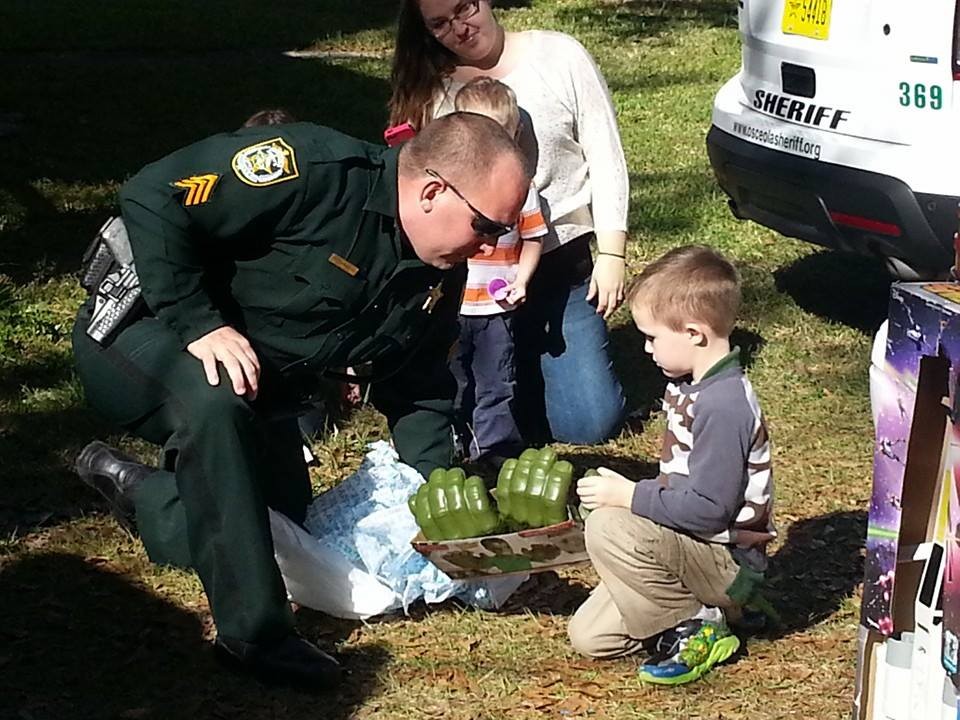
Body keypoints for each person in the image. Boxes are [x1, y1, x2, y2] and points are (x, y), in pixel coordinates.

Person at [71, 112, 528, 690]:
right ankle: (255, 637)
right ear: (433, 191)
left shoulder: (438, 268)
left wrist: (442, 501)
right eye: (487, 225)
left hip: (260, 383)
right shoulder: (314, 170)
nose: (491, 245)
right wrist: (196, 321)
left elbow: (421, 387)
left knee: (280, 533)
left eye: (503, 232)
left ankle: (145, 493)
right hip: (144, 333)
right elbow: (153, 192)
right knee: (215, 403)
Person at [389, 0, 628, 446]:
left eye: (465, 9)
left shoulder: (559, 55)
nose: (460, 28)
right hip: (476, 279)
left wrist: (613, 252)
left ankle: (538, 373)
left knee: (588, 424)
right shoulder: (429, 89)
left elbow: (606, 153)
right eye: (440, 24)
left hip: (559, 266)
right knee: (476, 389)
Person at [568, 246, 776, 685]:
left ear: (695, 333)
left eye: (652, 337)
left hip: (727, 563)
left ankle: (700, 624)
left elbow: (708, 510)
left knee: (609, 526)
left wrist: (628, 497)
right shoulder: (689, 384)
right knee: (590, 637)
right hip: (694, 551)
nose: (645, 348)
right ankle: (704, 613)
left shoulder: (724, 405)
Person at [449, 77, 545, 464]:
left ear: (514, 133)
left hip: (494, 304)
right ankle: (454, 436)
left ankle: (494, 446)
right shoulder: (451, 184)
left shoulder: (521, 189)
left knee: (496, 378)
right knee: (453, 377)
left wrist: (522, 279)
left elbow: (534, 238)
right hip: (453, 306)